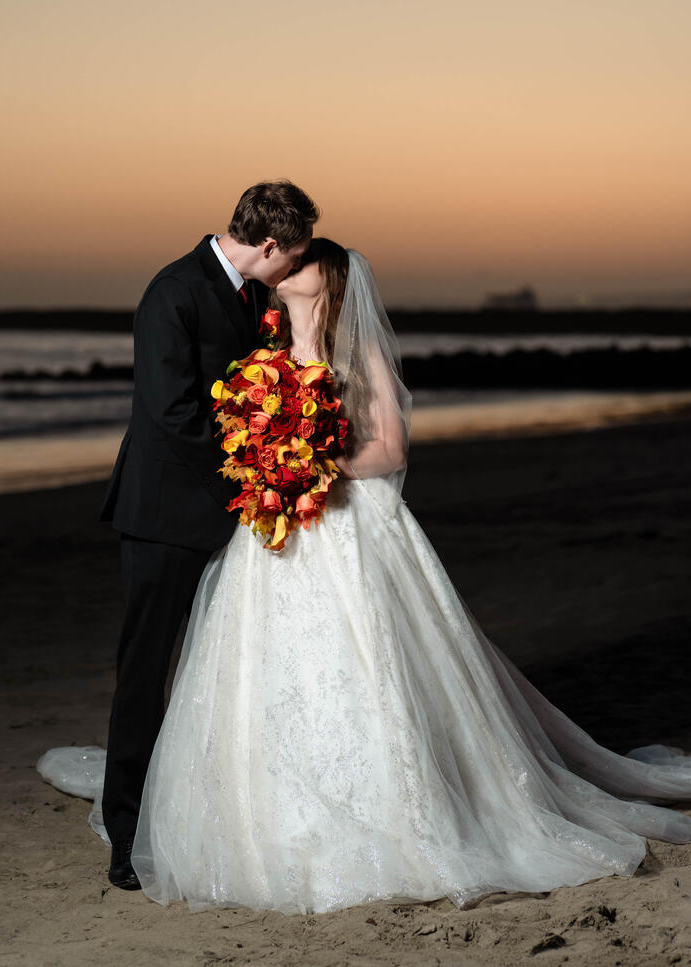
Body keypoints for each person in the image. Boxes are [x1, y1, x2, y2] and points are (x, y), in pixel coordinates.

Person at [124, 238, 691, 914]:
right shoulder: (263, 346)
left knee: (366, 662)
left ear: (326, 278)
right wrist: (264, 463)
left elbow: (390, 447)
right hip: (273, 528)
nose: (282, 271)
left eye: (298, 264)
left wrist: (312, 469)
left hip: (343, 523)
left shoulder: (354, 350)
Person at [96, 181, 319, 890]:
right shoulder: (173, 291)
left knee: (217, 672)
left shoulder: (256, 295)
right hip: (163, 516)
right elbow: (172, 412)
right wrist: (253, 478)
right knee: (145, 674)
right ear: (270, 245)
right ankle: (127, 836)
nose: (292, 269)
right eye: (294, 255)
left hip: (227, 515)